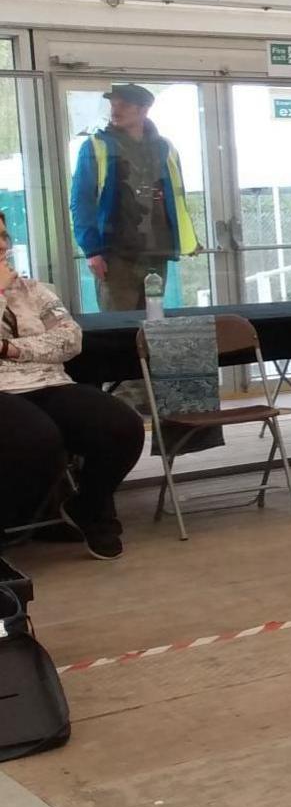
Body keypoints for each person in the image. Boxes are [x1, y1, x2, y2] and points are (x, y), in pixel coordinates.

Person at [0, 210, 142, 560]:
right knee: (38, 439)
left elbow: (70, 340)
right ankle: (18, 525)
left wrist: (13, 349)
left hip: (48, 382)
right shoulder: (8, 287)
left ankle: (87, 505)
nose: (2, 244)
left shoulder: (34, 289)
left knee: (122, 427)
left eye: (3, 234)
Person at [68, 83, 199, 311]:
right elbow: (81, 202)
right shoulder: (96, 146)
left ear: (143, 109)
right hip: (116, 255)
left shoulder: (164, 147)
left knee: (153, 321)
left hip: (156, 251)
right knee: (118, 326)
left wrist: (187, 238)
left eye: (124, 105)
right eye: (113, 104)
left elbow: (177, 198)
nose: (115, 110)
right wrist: (92, 250)